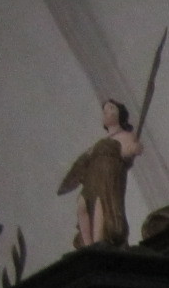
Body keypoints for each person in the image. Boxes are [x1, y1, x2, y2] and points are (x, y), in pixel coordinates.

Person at [58, 99, 142, 248]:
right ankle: (88, 245)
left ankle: (98, 243)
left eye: (111, 109)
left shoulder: (125, 135)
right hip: (93, 177)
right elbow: (84, 160)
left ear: (120, 115)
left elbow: (129, 152)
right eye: (105, 110)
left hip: (107, 177)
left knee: (100, 206)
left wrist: (133, 149)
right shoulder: (102, 141)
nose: (107, 112)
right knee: (82, 205)